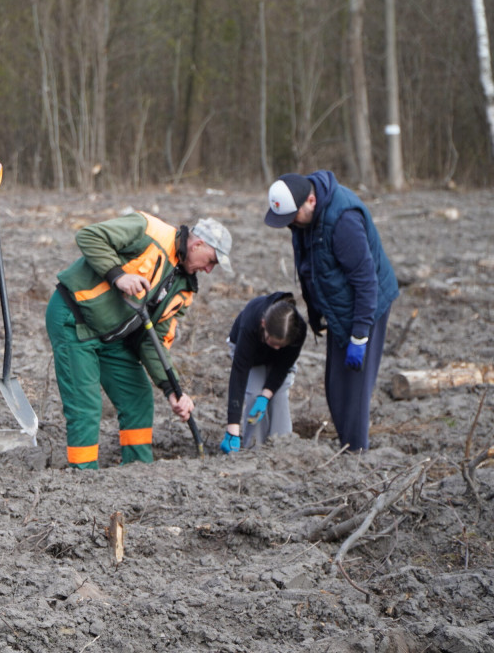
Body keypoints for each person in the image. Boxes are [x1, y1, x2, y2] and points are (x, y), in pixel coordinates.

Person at [46, 213, 233, 469]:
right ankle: (83, 477)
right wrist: (118, 276)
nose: (210, 270)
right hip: (75, 318)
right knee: (86, 404)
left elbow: (153, 340)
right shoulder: (149, 231)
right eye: (211, 261)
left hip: (113, 337)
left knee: (138, 396)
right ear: (197, 244)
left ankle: (138, 471)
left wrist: (172, 390)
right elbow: (89, 236)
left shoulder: (184, 291)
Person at [265, 171, 399, 452]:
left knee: (352, 390)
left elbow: (366, 282)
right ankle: (349, 445)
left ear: (311, 200)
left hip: (365, 306)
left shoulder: (343, 221)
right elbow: (310, 265)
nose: (288, 223)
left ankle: (356, 453)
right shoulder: (304, 220)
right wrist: (315, 313)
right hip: (340, 306)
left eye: (291, 216)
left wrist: (360, 335)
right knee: (336, 386)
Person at [221, 292, 306, 453]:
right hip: (251, 356)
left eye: (280, 346)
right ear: (263, 324)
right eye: (272, 342)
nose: (275, 348)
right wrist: (232, 429)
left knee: (278, 395)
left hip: (280, 362)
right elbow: (239, 374)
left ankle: (283, 447)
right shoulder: (250, 324)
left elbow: (283, 367)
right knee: (254, 395)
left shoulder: (298, 330)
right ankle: (253, 448)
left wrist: (266, 395)